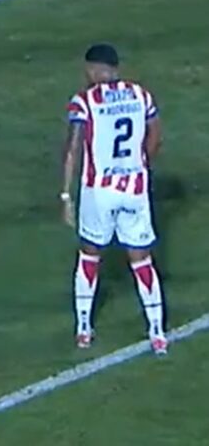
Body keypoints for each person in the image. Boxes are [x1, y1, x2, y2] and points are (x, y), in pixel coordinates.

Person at [62, 43, 166, 353]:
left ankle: (83, 328)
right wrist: (139, 167)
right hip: (135, 189)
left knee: (90, 255)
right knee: (141, 260)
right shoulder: (141, 95)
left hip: (99, 191)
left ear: (94, 69)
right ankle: (158, 333)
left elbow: (73, 149)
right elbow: (156, 136)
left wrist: (67, 195)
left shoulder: (84, 101)